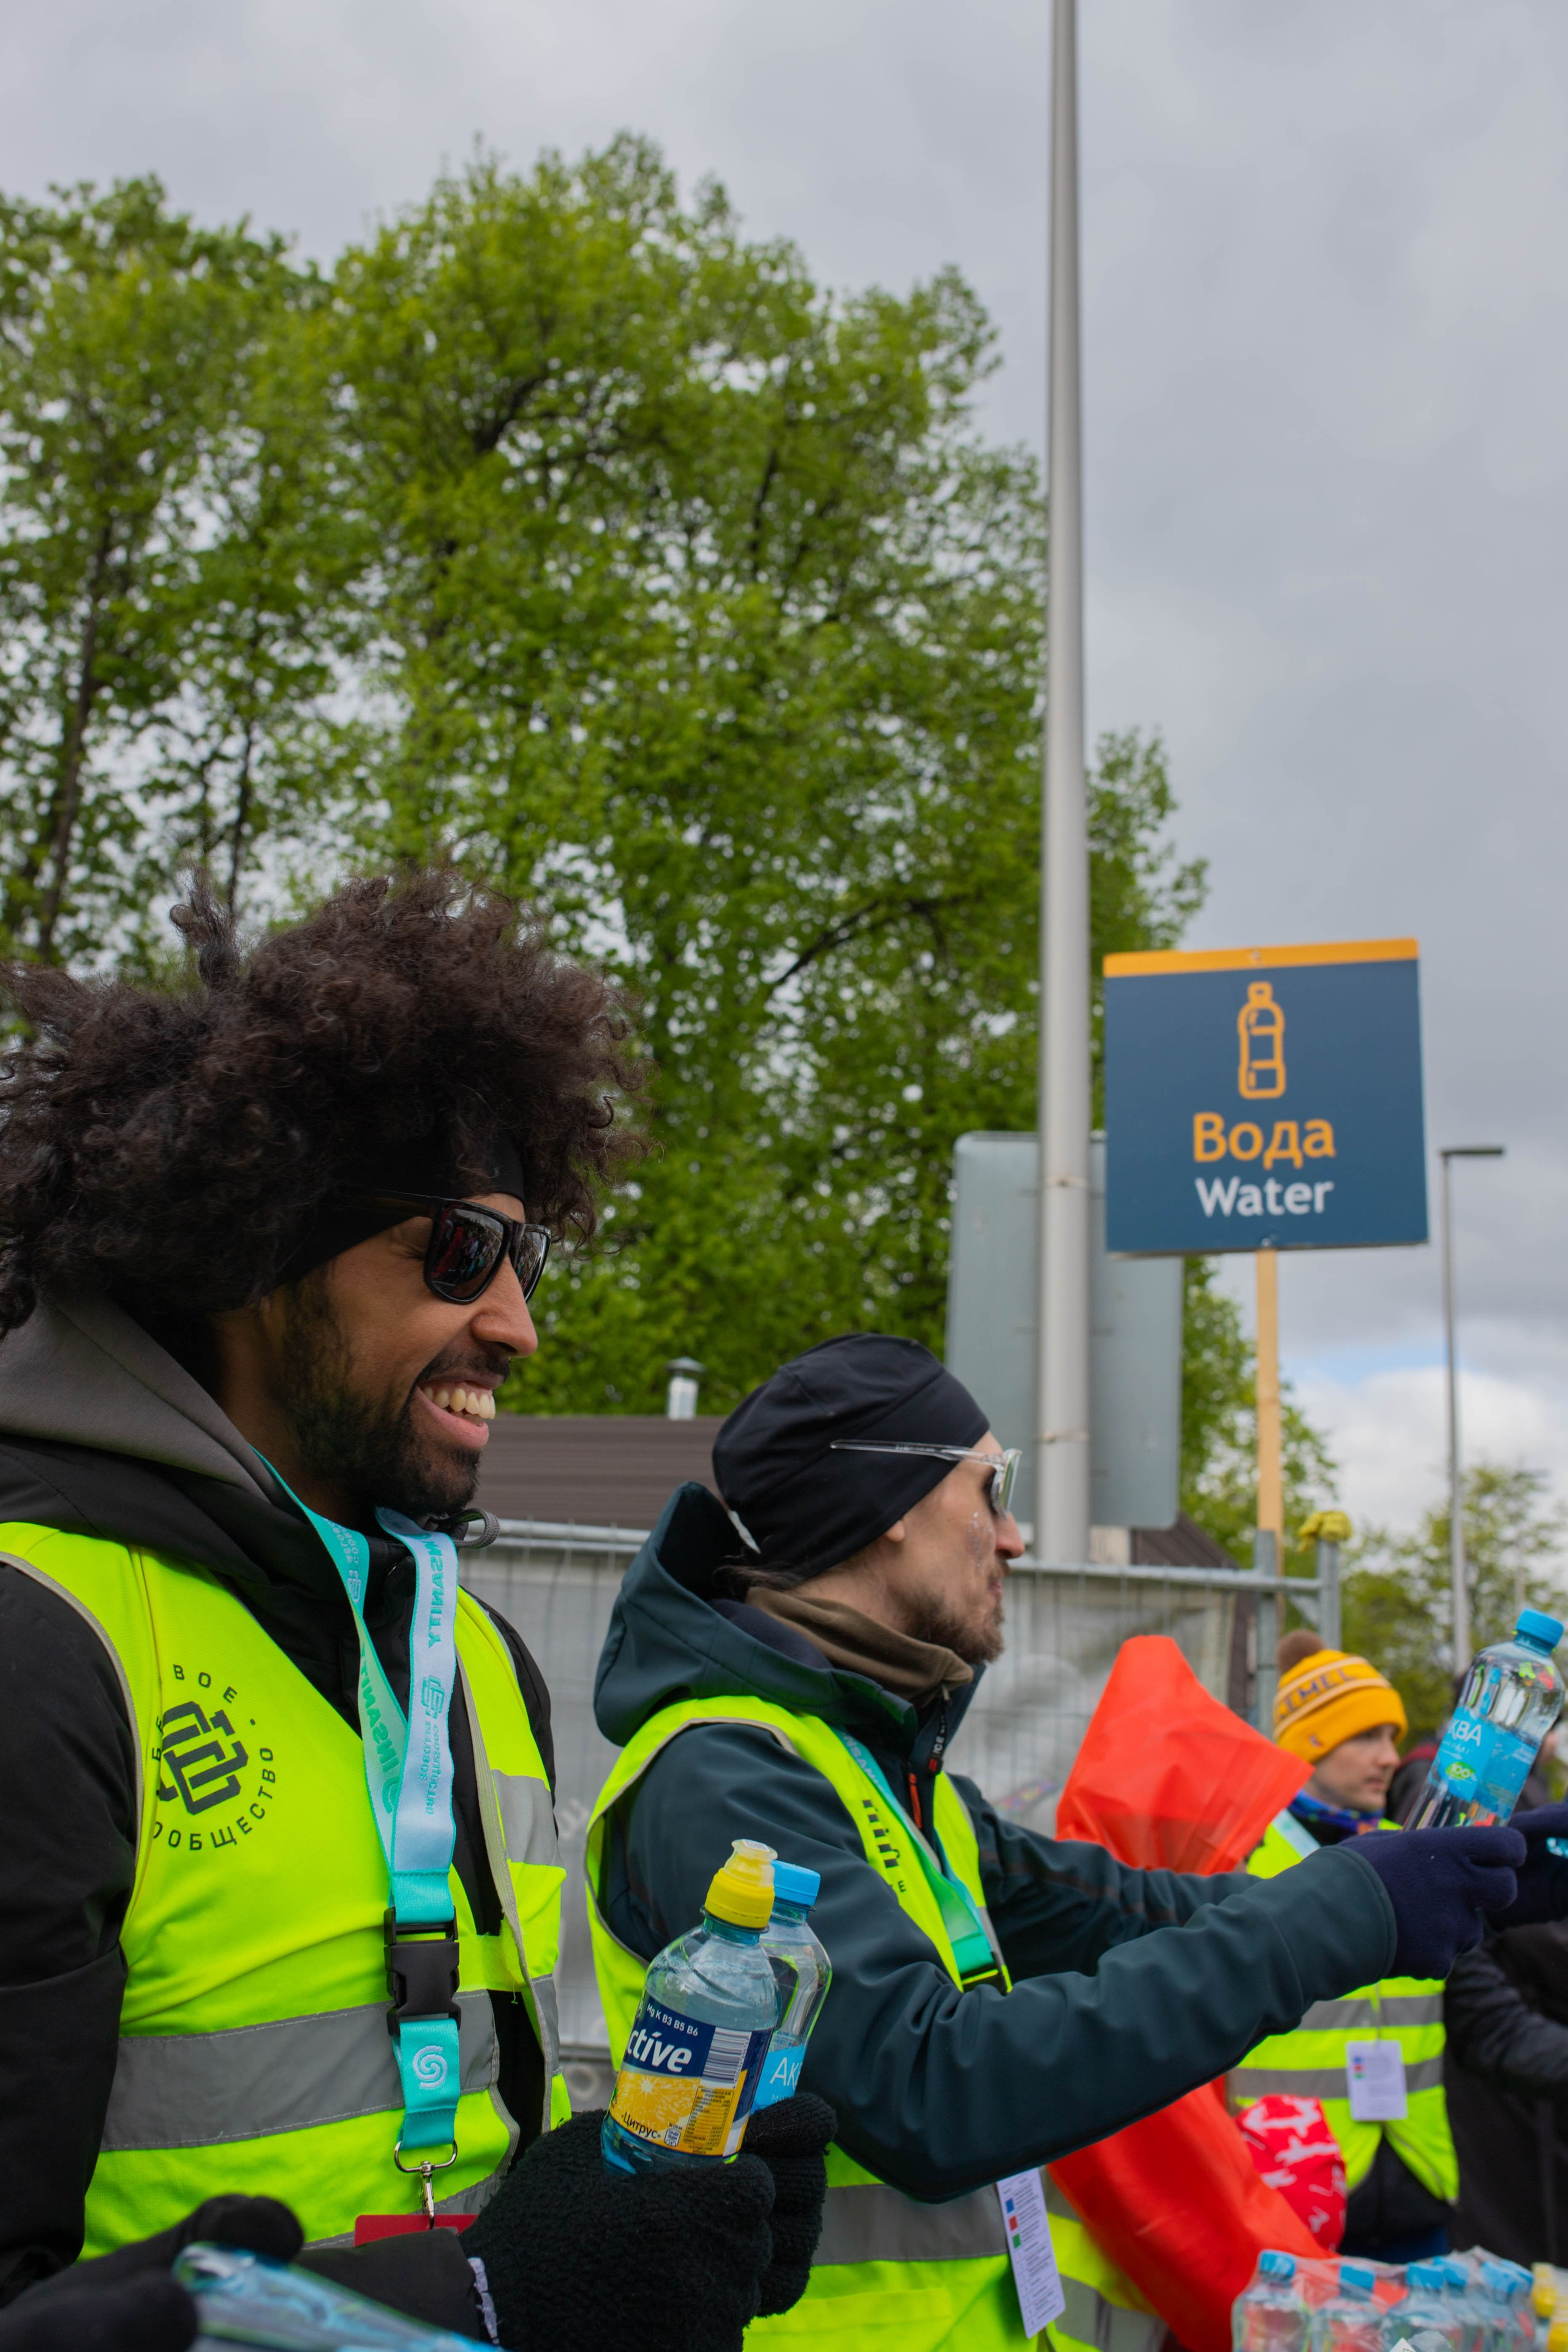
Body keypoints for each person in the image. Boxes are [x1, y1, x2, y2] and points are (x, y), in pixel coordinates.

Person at [0, 872, 829, 2346]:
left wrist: (633, 2206)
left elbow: (455, 2141)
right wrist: (487, 2298)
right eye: (457, 1249)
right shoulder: (40, 1640)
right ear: (258, 1253)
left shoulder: (471, 1659)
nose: (514, 1322)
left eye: (526, 1256)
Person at [583, 1334, 1568, 2352]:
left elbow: (1145, 1911)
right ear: (888, 1509)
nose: (1014, 1536)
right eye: (991, 1490)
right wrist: (1352, 1907)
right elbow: (935, 2090)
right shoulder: (729, 1775)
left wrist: (1485, 1879)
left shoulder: (884, 1774)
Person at [1228, 1631, 1458, 2263]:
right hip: (1290, 2192)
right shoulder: (1243, 1865)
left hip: (1418, 2184)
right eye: (1364, 1738)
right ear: (1308, 1746)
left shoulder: (1418, 1859)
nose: (1388, 1758)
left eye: (1390, 1737)